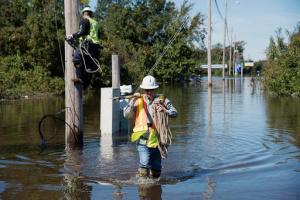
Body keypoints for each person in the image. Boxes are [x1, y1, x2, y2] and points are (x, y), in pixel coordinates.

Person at [123, 75, 177, 178]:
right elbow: (126, 115)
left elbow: (175, 113)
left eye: (151, 90)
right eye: (147, 90)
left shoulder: (162, 100)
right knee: (144, 167)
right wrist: (132, 101)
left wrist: (165, 111)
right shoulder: (137, 100)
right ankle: (143, 190)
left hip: (157, 140)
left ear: (155, 89)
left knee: (156, 170)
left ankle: (154, 189)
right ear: (144, 89)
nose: (149, 93)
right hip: (142, 139)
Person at [66, 6, 101, 89]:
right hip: (95, 46)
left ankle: (80, 78)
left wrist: (72, 36)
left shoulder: (84, 20)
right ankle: (86, 83)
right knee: (87, 65)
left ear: (84, 14)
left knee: (76, 59)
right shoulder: (95, 23)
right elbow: (98, 35)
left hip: (87, 45)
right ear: (91, 14)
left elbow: (82, 32)